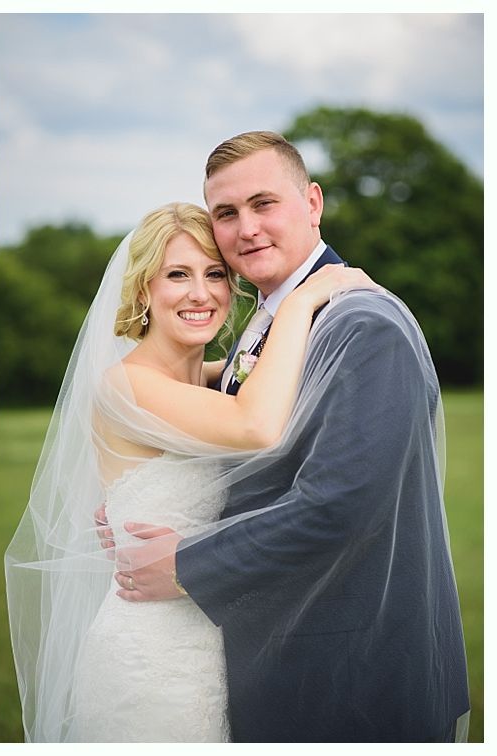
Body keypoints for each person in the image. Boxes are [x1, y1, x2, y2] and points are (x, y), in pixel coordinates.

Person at [101, 132, 470, 741]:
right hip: (279, 654)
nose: (246, 228)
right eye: (227, 213)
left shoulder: (360, 324)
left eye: (264, 203)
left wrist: (188, 563)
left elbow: (339, 506)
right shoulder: (267, 322)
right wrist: (139, 497)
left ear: (314, 203)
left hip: (350, 672)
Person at [5, 200, 378, 741]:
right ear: (142, 291)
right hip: (152, 653)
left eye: (214, 274)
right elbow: (256, 428)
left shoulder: (208, 381)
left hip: (215, 635)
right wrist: (303, 300)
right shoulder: (126, 386)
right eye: (177, 274)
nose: (201, 293)